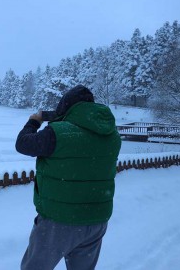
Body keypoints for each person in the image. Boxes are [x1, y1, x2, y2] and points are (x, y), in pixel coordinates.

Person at [16, 85, 121, 270]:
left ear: (66, 108)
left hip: (60, 220)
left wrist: (33, 122)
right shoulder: (112, 136)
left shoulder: (57, 133)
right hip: (96, 220)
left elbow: (23, 144)